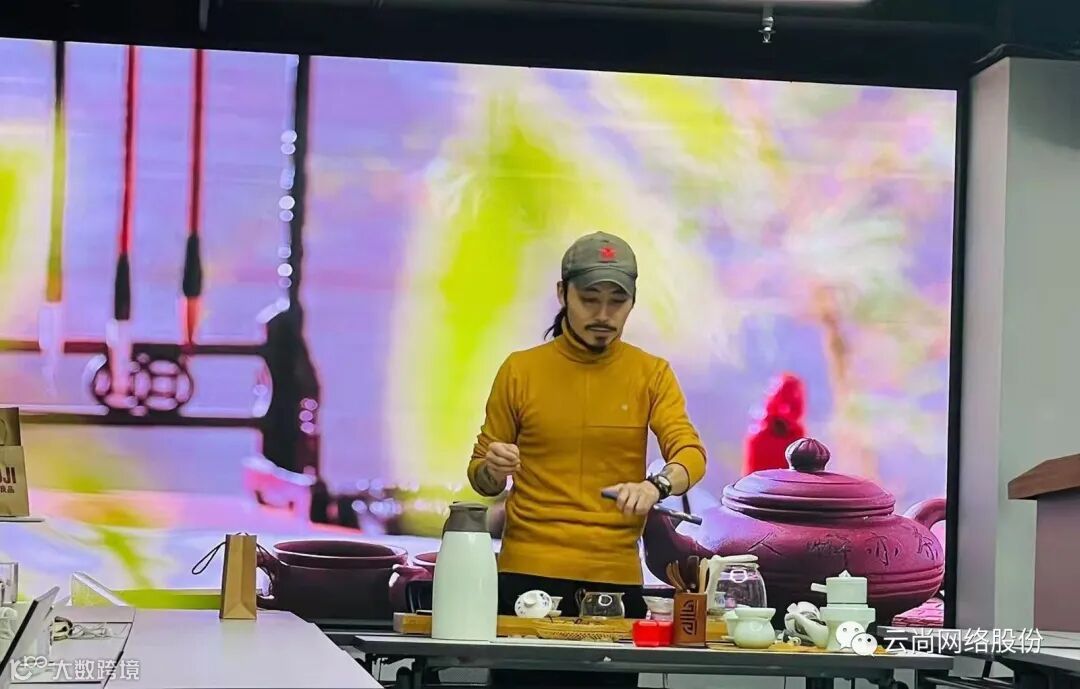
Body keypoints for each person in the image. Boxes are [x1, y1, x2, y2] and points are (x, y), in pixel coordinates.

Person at [467, 231, 707, 688]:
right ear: (563, 294)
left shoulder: (651, 373)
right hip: (526, 576)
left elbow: (690, 454)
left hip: (613, 581)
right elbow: (482, 476)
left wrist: (655, 485)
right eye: (589, 299)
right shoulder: (520, 370)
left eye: (617, 302)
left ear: (632, 302)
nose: (603, 315)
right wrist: (492, 469)